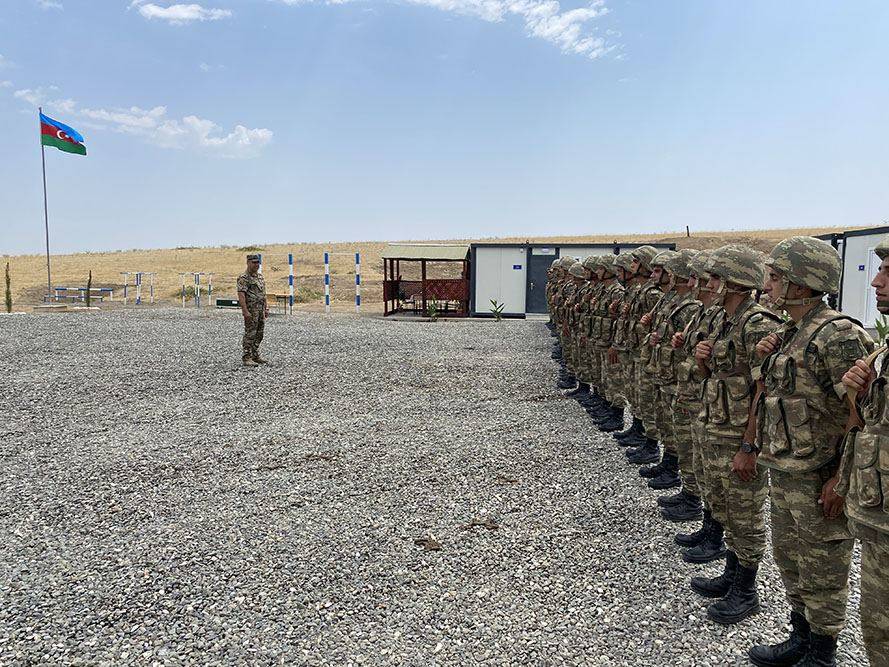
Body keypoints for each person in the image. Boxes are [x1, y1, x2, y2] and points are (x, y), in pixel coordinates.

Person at [748, 237, 872, 667]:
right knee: (790, 561)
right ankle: (800, 637)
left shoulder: (837, 334)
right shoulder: (789, 333)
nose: (767, 287)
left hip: (820, 477)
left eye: (777, 278)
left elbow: (858, 415)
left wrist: (842, 480)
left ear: (803, 283)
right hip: (786, 471)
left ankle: (822, 653)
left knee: (823, 571)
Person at [691, 244, 782, 625]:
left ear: (735, 282)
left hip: (737, 435)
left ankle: (746, 589)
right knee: (723, 503)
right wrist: (700, 358)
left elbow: (765, 390)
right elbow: (715, 374)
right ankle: (731, 575)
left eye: (717, 277)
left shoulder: (757, 323)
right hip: (716, 424)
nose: (710, 284)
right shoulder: (726, 320)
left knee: (745, 513)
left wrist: (749, 444)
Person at [837, 235, 889, 667]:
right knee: (877, 630)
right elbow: (862, 426)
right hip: (877, 515)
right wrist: (862, 393)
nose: (875, 281)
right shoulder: (883, 354)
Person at [237, 254, 269, 366]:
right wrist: (245, 311)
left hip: (260, 310)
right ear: (248, 263)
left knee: (260, 334)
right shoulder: (243, 278)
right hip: (251, 310)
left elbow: (263, 294)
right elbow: (241, 295)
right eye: (254, 262)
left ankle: (255, 355)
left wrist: (266, 308)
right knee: (250, 333)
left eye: (257, 262)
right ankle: (247, 357)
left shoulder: (260, 277)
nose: (256, 265)